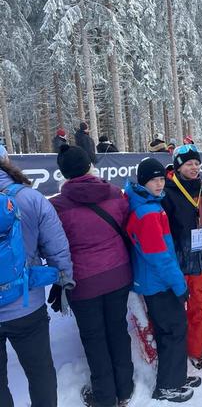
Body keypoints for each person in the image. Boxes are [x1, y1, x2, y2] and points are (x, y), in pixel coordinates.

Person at [49, 145, 134, 407]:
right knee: (118, 330)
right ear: (89, 166)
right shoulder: (115, 193)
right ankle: (125, 388)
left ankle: (104, 396)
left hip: (83, 283)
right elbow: (125, 223)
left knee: (94, 338)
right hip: (118, 275)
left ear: (63, 173)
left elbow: (52, 245)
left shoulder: (56, 207)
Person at [0, 158, 74, 407]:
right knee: (40, 372)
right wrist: (63, 279)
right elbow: (57, 245)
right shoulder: (30, 198)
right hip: (26, 303)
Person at [126, 158, 200, 403]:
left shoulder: (149, 204)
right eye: (153, 181)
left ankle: (176, 377)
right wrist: (179, 285)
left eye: (161, 180)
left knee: (174, 329)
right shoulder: (147, 212)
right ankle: (167, 386)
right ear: (142, 182)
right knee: (173, 331)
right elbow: (159, 257)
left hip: (157, 280)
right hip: (158, 283)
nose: (159, 185)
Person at [162, 144, 202, 369]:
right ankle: (175, 351)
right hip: (177, 263)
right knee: (176, 310)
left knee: (199, 307)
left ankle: (196, 350)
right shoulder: (167, 191)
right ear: (179, 166)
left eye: (196, 164)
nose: (193, 167)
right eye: (188, 164)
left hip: (199, 260)